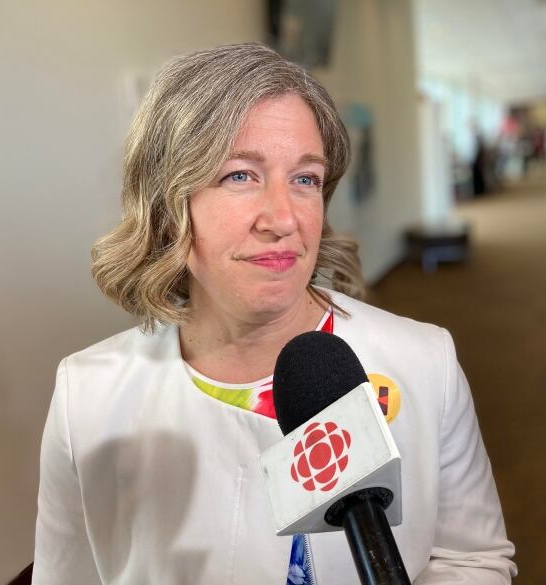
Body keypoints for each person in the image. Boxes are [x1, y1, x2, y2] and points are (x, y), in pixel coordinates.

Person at [33, 43, 516, 584]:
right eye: (240, 175)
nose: (284, 218)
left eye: (305, 179)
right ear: (167, 204)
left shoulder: (424, 360)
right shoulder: (88, 398)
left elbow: (471, 558)